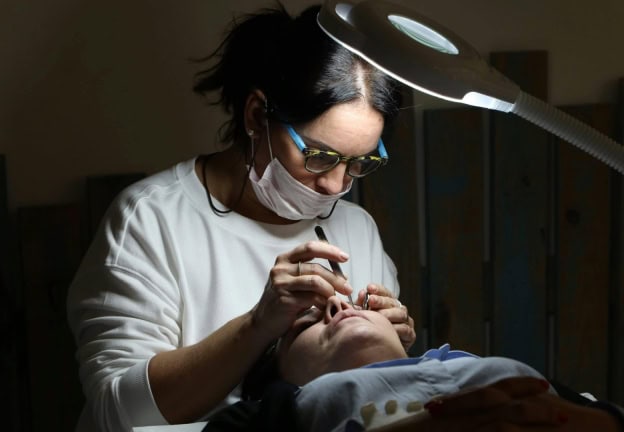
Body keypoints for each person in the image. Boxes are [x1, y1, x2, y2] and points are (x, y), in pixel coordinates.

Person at [66, 4, 416, 432]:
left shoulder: (357, 228)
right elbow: (118, 412)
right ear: (256, 116)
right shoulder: (150, 219)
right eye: (319, 156)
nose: (336, 185)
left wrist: (387, 348)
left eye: (360, 162)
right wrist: (256, 326)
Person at [205, 295, 624, 432]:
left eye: (357, 304)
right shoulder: (278, 409)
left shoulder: (478, 364)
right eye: (307, 322)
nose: (336, 304)